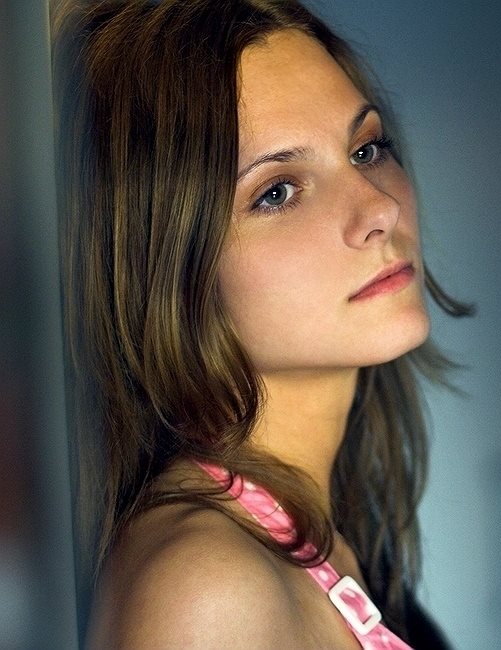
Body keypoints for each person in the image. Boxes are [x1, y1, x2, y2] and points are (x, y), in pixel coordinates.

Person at [51, 0, 471, 647]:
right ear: (164, 264)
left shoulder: (323, 530)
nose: (379, 209)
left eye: (365, 149)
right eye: (277, 191)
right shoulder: (207, 589)